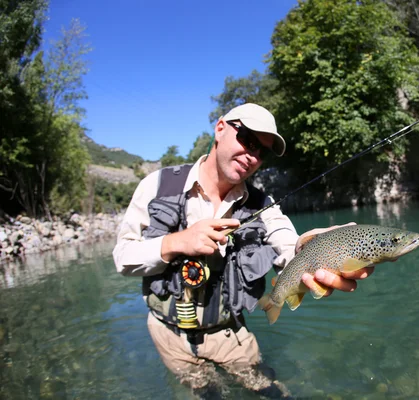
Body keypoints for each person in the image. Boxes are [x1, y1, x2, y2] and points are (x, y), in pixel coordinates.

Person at [112, 103, 373, 397]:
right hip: (168, 334)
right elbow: (122, 259)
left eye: (262, 152)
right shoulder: (157, 186)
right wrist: (176, 242)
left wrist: (312, 248)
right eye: (248, 140)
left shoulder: (263, 205)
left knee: (272, 391)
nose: (253, 156)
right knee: (206, 392)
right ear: (220, 128)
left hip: (230, 333)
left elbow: (289, 242)